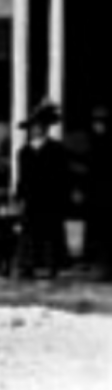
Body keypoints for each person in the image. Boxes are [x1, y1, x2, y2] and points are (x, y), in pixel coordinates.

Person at [15, 101, 71, 280]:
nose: (35, 130)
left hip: (50, 197)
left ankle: (51, 266)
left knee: (51, 232)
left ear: (46, 128)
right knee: (29, 232)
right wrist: (19, 196)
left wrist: (62, 196)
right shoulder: (24, 152)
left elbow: (63, 175)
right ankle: (28, 266)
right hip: (32, 198)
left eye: (39, 127)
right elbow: (22, 176)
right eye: (32, 127)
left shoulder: (57, 149)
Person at [84, 105, 112, 282]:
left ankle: (105, 268)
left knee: (106, 233)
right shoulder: (94, 142)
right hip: (96, 195)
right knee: (98, 232)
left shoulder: (105, 144)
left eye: (101, 122)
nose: (98, 125)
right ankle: (100, 266)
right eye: (95, 122)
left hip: (107, 194)